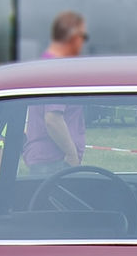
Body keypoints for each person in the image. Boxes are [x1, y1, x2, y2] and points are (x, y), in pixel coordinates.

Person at [22, 11, 88, 176]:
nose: (82, 42)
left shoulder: (46, 66)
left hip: (46, 160)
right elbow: (52, 119)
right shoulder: (59, 70)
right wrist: (72, 155)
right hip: (55, 163)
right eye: (81, 36)